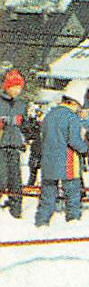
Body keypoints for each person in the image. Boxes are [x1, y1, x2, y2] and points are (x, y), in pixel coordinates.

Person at [36, 91, 89, 226]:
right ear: (73, 102)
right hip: (68, 162)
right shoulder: (71, 117)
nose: (78, 109)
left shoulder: (49, 115)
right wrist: (86, 148)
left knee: (47, 196)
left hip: (49, 161)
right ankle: (73, 223)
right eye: (78, 106)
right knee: (72, 195)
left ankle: (42, 223)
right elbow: (74, 141)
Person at [0, 70, 27, 218]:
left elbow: (26, 125)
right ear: (7, 87)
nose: (17, 90)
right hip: (1, 146)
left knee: (16, 180)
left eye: (20, 87)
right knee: (1, 178)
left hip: (15, 146)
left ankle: (16, 212)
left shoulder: (21, 104)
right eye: (14, 87)